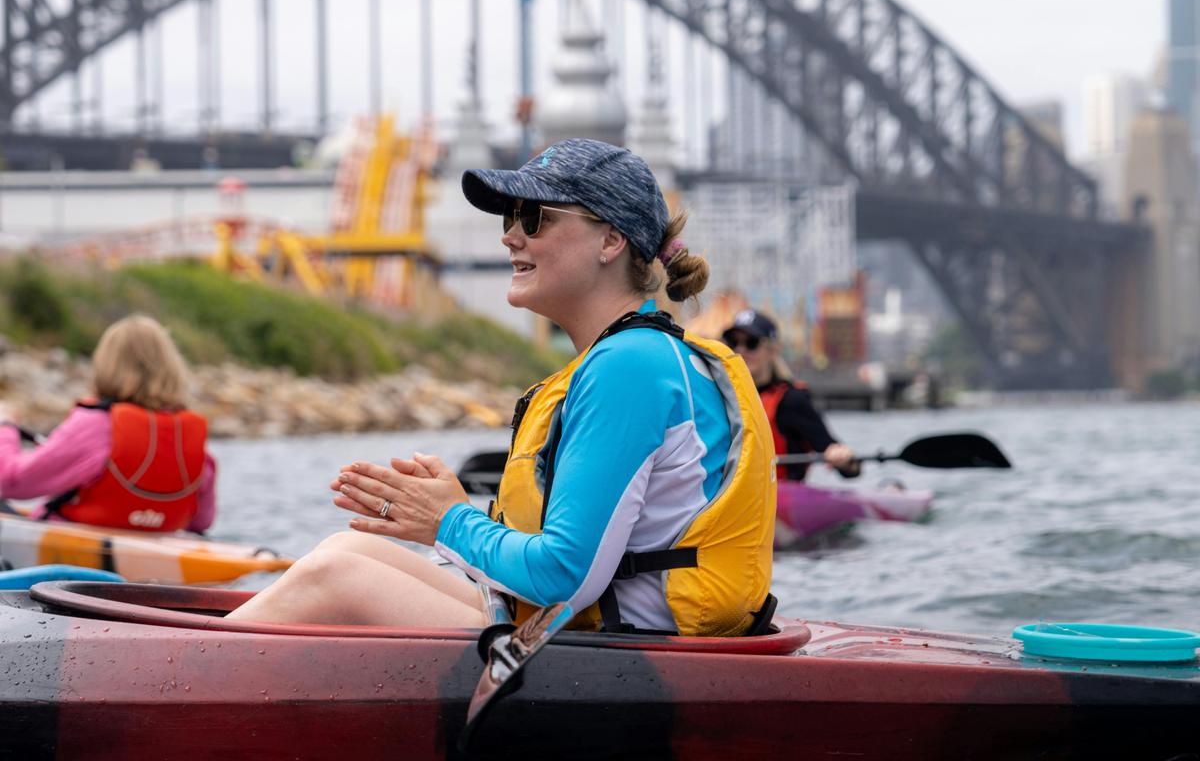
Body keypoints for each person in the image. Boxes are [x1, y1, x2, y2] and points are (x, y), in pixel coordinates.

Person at [227, 138, 777, 636]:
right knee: (349, 546)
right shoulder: (637, 355)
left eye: (534, 217)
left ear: (610, 240)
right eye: (512, 216)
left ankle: (170, 680)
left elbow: (564, 578)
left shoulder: (629, 366)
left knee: (336, 574)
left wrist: (447, 519)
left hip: (619, 654)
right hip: (581, 634)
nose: (510, 235)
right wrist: (450, 517)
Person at [0, 314, 217, 533]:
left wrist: (6, 429)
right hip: (152, 548)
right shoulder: (187, 434)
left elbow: (10, 483)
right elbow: (202, 521)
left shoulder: (95, 423)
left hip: (72, 550)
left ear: (106, 365)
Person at [721, 309, 861, 483]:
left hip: (781, 501)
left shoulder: (792, 400)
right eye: (733, 343)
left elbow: (848, 467)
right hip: (736, 499)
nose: (740, 350)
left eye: (751, 343)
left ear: (772, 350)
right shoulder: (721, 398)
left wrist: (844, 459)